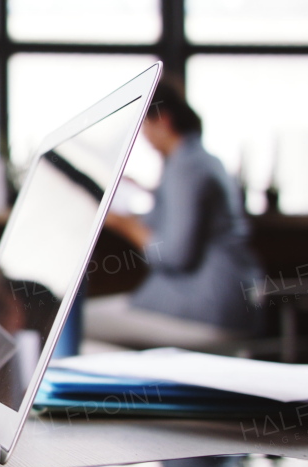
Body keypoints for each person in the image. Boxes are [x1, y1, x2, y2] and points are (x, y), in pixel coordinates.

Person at [88, 77, 263, 348]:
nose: (143, 135)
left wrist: (125, 225)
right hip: (230, 301)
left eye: (144, 124)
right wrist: (147, 194)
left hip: (208, 307)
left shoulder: (186, 168)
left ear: (164, 120)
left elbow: (175, 255)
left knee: (76, 323)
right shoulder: (198, 159)